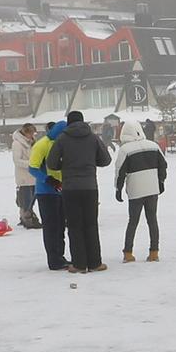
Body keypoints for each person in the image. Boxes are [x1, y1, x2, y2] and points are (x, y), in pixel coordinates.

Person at [48, 110, 113, 275]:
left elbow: (52, 163)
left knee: (75, 226)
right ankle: (95, 263)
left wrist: (65, 163)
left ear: (68, 122)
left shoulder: (62, 139)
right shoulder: (93, 138)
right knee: (91, 224)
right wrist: (91, 161)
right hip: (90, 187)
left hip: (70, 188)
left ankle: (79, 264)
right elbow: (106, 160)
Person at [115, 120, 167, 263]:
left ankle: (128, 253)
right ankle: (154, 252)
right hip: (152, 189)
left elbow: (120, 172)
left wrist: (118, 189)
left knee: (133, 221)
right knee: (152, 220)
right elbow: (163, 165)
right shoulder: (153, 146)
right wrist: (161, 182)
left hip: (135, 190)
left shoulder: (125, 150)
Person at [29, 124, 69, 271]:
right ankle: (54, 260)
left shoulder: (62, 143)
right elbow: (32, 168)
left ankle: (61, 256)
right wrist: (48, 179)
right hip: (46, 192)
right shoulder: (41, 145)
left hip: (61, 190)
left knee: (60, 226)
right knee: (51, 227)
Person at [11, 121, 42, 229]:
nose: (33, 135)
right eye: (32, 133)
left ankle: (28, 216)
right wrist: (31, 164)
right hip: (24, 177)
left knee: (32, 198)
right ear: (26, 133)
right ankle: (26, 218)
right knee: (25, 200)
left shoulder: (32, 142)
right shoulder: (17, 144)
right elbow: (17, 160)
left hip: (33, 176)